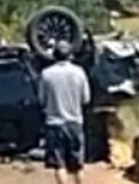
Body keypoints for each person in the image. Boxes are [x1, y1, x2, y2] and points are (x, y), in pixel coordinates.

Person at [38, 40, 91, 184]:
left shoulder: (46, 74)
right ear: (70, 55)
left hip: (54, 124)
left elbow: (41, 100)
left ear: (54, 55)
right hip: (75, 123)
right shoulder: (79, 72)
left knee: (59, 165)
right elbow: (86, 99)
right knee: (78, 166)